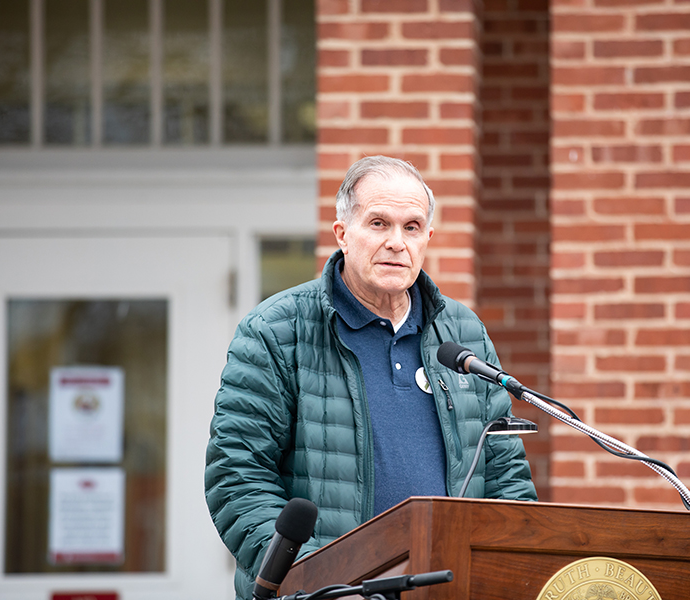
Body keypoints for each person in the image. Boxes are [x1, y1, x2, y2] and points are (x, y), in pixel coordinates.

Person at [205, 156, 536, 600]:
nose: (397, 243)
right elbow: (237, 476)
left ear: (428, 239)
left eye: (412, 227)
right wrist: (322, 582)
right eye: (379, 223)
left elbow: (506, 480)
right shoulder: (277, 331)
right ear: (343, 234)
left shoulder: (463, 333)